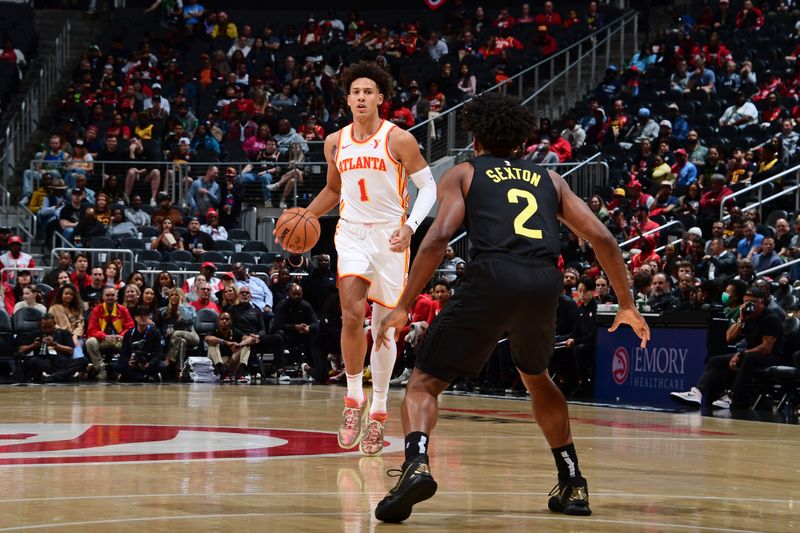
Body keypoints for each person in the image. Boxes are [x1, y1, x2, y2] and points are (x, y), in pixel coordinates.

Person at [372, 93, 649, 523]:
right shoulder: (550, 180)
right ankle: (573, 480)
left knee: (424, 382)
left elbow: (439, 237)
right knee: (537, 377)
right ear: (520, 141)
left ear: (476, 136)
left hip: (493, 274)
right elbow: (604, 240)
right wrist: (627, 304)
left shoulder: (463, 173)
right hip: (543, 280)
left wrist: (404, 303)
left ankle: (417, 464)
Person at [294, 61, 437, 457]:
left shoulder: (399, 140)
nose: (360, 97)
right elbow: (332, 190)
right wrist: (305, 215)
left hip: (390, 235)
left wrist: (409, 226)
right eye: (354, 91)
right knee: (352, 314)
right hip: (352, 231)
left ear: (380, 98)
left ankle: (378, 412)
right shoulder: (334, 141)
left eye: (367, 92)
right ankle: (353, 401)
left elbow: (429, 188)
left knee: (386, 327)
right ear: (348, 98)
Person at [671, 287, 783, 411]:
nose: (748, 305)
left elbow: (766, 348)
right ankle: (697, 393)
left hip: (772, 357)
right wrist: (741, 319)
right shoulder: (749, 317)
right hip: (751, 354)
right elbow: (729, 338)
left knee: (749, 358)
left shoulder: (771, 318)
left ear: (761, 301)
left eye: (751, 302)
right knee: (715, 360)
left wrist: (740, 354)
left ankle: (731, 397)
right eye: (745, 302)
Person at [85, 287, 134, 380]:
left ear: (116, 297)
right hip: (103, 339)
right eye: (107, 295)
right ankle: (100, 369)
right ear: (103, 297)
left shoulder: (123, 310)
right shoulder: (96, 310)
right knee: (90, 342)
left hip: (118, 339)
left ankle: (122, 370)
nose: (110, 297)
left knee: (129, 341)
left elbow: (130, 327)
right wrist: (104, 336)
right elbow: (91, 330)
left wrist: (121, 335)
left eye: (112, 295)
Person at [22, 314, 88, 383]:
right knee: (33, 360)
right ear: (40, 326)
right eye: (44, 328)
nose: (47, 330)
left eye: (50, 327)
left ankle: (53, 377)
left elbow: (70, 351)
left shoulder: (64, 333)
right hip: (46, 363)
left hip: (63, 362)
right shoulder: (36, 334)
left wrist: (55, 345)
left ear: (55, 324)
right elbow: (21, 350)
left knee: (84, 360)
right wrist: (33, 345)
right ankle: (64, 375)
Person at [114, 306, 165, 382]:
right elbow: (124, 352)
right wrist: (129, 361)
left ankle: (134, 376)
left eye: (145, 315)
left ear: (149, 317)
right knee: (116, 365)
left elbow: (159, 353)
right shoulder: (129, 333)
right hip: (133, 361)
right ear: (135, 318)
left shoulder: (155, 333)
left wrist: (149, 364)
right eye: (140, 316)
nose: (143, 318)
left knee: (162, 366)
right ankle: (144, 377)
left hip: (147, 361)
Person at [205, 311, 250, 381]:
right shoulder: (214, 331)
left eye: (227, 319)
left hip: (230, 363)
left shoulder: (234, 331)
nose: (224, 321)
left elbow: (248, 339)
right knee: (213, 344)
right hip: (217, 363)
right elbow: (207, 339)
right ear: (218, 321)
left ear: (231, 321)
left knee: (246, 345)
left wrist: (239, 345)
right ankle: (221, 370)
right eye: (222, 319)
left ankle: (241, 372)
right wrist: (226, 343)